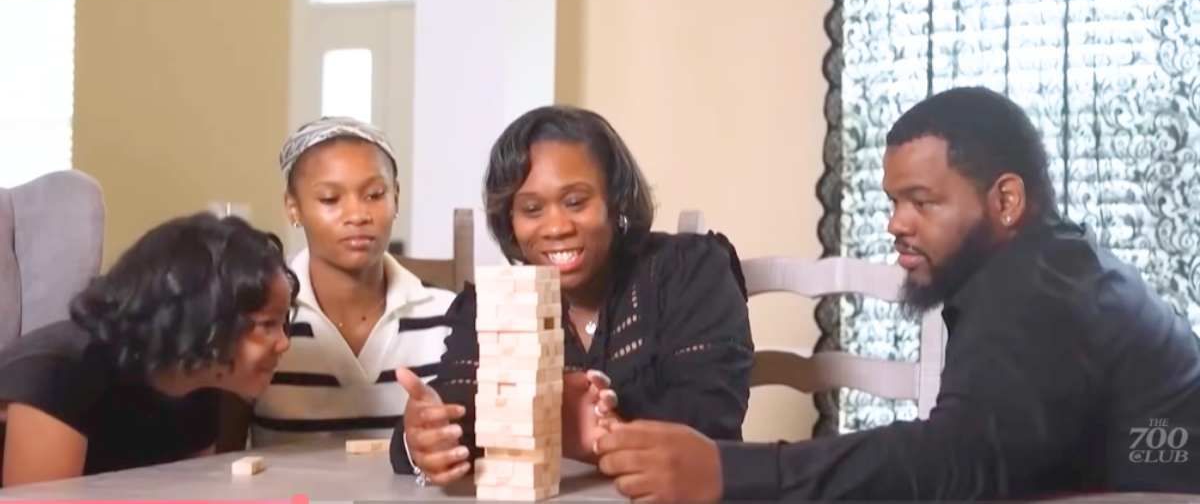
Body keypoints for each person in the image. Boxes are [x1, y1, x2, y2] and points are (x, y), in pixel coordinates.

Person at [594, 87, 1200, 500]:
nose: (896, 223)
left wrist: (731, 471)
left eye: (922, 201)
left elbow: (954, 457)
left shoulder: (1037, 292)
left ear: (1006, 200)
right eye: (893, 201)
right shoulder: (1043, 265)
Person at [391, 105, 754, 485]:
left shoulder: (688, 270)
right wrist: (425, 438)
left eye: (576, 202)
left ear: (615, 201)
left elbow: (711, 420)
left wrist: (597, 435)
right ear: (510, 221)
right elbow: (456, 407)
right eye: (532, 209)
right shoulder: (493, 303)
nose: (556, 227)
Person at [0, 213, 296, 487]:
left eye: (283, 324)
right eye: (267, 325)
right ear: (204, 320)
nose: (284, 343)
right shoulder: (61, 372)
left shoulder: (200, 381)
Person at [244, 117, 457, 447]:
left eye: (374, 195)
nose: (357, 215)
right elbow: (219, 459)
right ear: (293, 208)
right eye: (330, 199)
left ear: (396, 197)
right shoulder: (258, 319)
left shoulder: (449, 317)